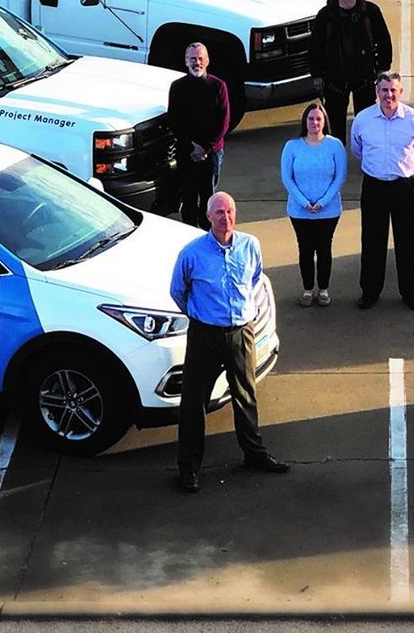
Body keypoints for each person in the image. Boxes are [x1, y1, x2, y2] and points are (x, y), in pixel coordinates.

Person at [169, 192, 290, 494]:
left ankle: (254, 454)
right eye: (219, 212)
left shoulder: (250, 245)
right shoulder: (192, 253)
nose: (226, 217)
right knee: (193, 402)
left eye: (230, 211)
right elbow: (178, 291)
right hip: (204, 335)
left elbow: (254, 279)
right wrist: (202, 315)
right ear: (209, 216)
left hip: (240, 333)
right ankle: (188, 467)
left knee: (245, 396)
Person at [349, 71, 414, 310]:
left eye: (393, 90)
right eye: (384, 90)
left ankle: (410, 291)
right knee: (372, 240)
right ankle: (370, 291)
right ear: (377, 92)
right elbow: (358, 149)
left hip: (404, 187)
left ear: (400, 92)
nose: (388, 95)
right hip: (374, 185)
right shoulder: (363, 120)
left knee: (407, 241)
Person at [280, 102, 347, 308]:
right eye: (311, 119)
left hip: (328, 212)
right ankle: (308, 289)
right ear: (305, 121)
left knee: (324, 249)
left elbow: (340, 177)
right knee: (305, 250)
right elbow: (287, 178)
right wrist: (304, 202)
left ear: (324, 121)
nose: (315, 122)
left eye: (318, 119)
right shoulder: (292, 146)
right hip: (300, 212)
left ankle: (324, 289)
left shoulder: (335, 145)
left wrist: (323, 202)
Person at [310, 0, 393, 135]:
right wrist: (317, 74)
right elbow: (315, 47)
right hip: (334, 80)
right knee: (334, 124)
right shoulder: (325, 15)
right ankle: (336, 157)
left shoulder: (370, 12)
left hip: (364, 78)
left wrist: (383, 68)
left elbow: (384, 40)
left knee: (366, 124)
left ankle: (366, 156)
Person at [167, 41, 229, 229]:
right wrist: (192, 146)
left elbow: (223, 122)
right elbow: (174, 121)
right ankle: (190, 232)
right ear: (186, 62)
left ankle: (207, 233)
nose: (197, 63)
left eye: (200, 58)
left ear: (207, 61)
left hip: (211, 154)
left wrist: (205, 148)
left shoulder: (219, 86)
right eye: (192, 59)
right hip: (187, 153)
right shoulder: (177, 87)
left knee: (208, 198)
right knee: (188, 197)